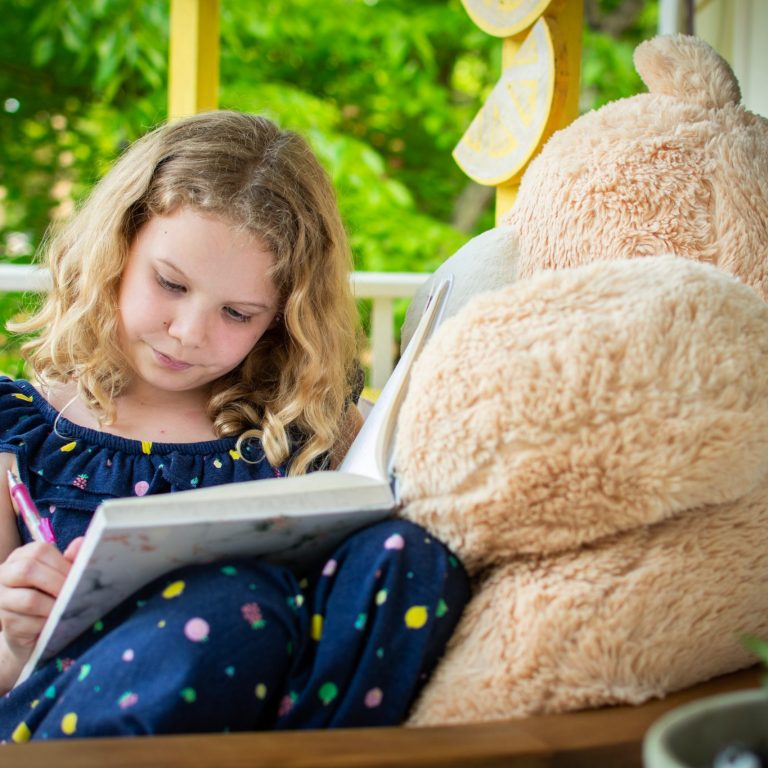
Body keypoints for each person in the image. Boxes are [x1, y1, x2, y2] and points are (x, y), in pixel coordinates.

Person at [0, 111, 469, 740]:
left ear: (280, 318)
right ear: (116, 250)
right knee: (230, 602)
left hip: (271, 720)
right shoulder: (22, 432)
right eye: (170, 284)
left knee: (410, 556)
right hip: (61, 724)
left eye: (237, 313)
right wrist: (17, 641)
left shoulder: (306, 424)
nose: (189, 333)